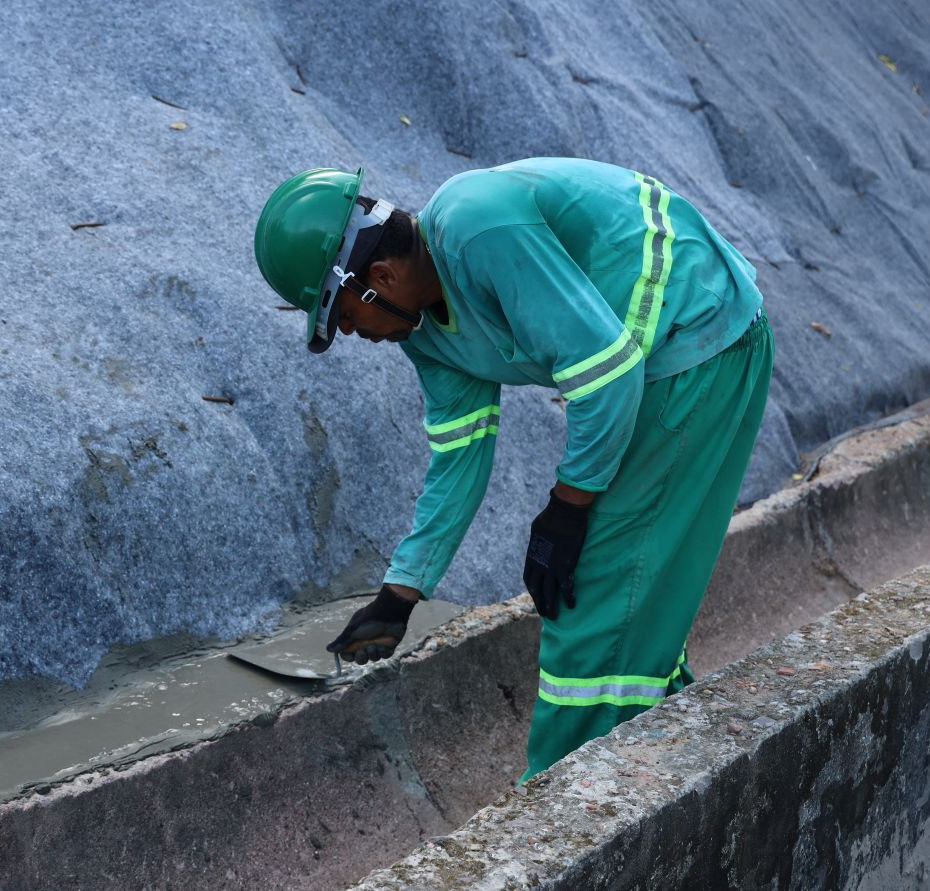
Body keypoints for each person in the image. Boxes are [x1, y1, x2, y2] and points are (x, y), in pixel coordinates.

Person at [252, 157, 773, 780]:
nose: (354, 335)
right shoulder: (423, 333)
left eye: (344, 318)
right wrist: (400, 594)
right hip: (661, 361)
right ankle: (655, 757)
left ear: (380, 278)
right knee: (626, 590)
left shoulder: (476, 226)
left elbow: (607, 374)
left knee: (600, 590)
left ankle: (573, 803)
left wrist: (566, 510)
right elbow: (459, 457)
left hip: (697, 336)